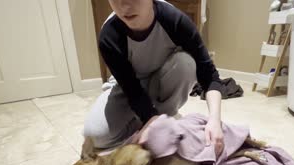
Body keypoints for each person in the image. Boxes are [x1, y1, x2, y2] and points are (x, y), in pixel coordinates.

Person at [83, 0, 225, 156]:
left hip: (164, 76)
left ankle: (163, 116)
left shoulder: (174, 20)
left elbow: (210, 75)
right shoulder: (109, 35)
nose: (124, 6)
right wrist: (148, 118)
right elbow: (132, 90)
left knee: (187, 64)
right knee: (95, 135)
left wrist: (215, 120)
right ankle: (151, 119)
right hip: (129, 85)